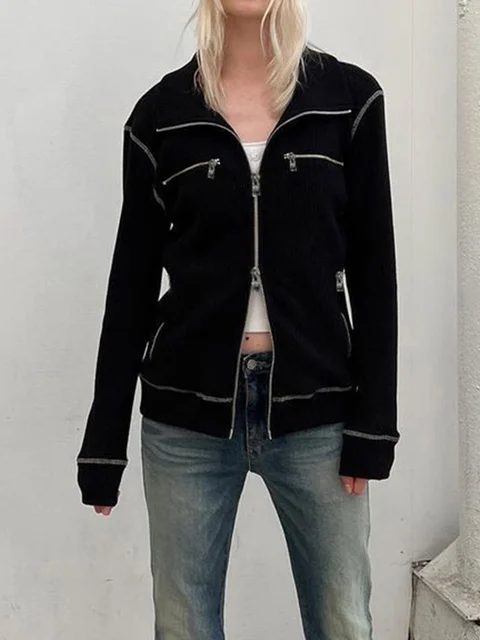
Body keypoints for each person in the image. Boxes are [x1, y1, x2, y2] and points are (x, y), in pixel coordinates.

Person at [76, 0, 399, 637]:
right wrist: (103, 443)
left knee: (343, 623)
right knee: (184, 626)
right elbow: (131, 285)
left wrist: (374, 425)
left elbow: (375, 271)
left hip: (318, 412)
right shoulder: (161, 116)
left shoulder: (347, 101)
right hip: (186, 420)